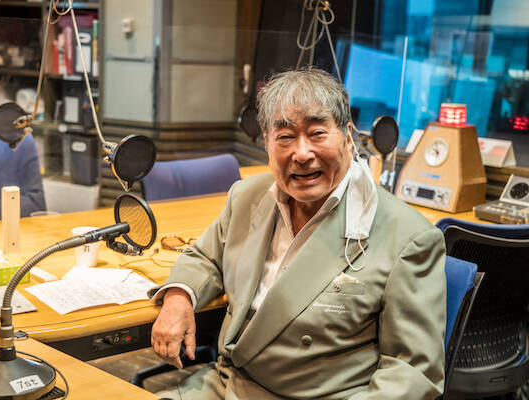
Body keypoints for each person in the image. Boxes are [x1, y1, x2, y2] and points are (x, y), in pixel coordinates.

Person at [150, 68, 446, 399]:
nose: (302, 153)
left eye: (317, 133)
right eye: (285, 137)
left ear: (348, 136)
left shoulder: (408, 237)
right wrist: (179, 297)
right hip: (226, 384)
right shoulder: (246, 197)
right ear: (267, 142)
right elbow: (204, 257)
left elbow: (412, 372)